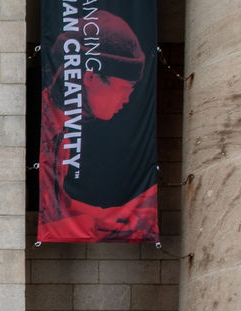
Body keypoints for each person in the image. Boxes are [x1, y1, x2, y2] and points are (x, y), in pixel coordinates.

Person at [38, 9, 158, 242]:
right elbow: (52, 217)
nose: (126, 100)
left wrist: (110, 216)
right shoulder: (48, 130)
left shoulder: (60, 124)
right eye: (126, 89)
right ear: (91, 78)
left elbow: (58, 205)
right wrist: (106, 219)